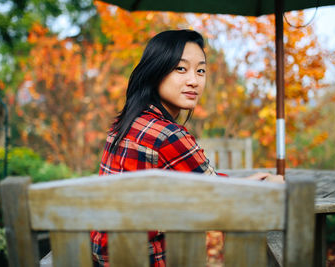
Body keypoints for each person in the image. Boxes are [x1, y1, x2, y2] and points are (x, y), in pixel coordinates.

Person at [91, 29, 283, 267]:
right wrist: (269, 189)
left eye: (200, 70)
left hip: (107, 257)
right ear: (156, 70)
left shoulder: (127, 123)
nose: (194, 80)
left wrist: (244, 184)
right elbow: (226, 203)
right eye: (181, 68)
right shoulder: (169, 135)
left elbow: (204, 184)